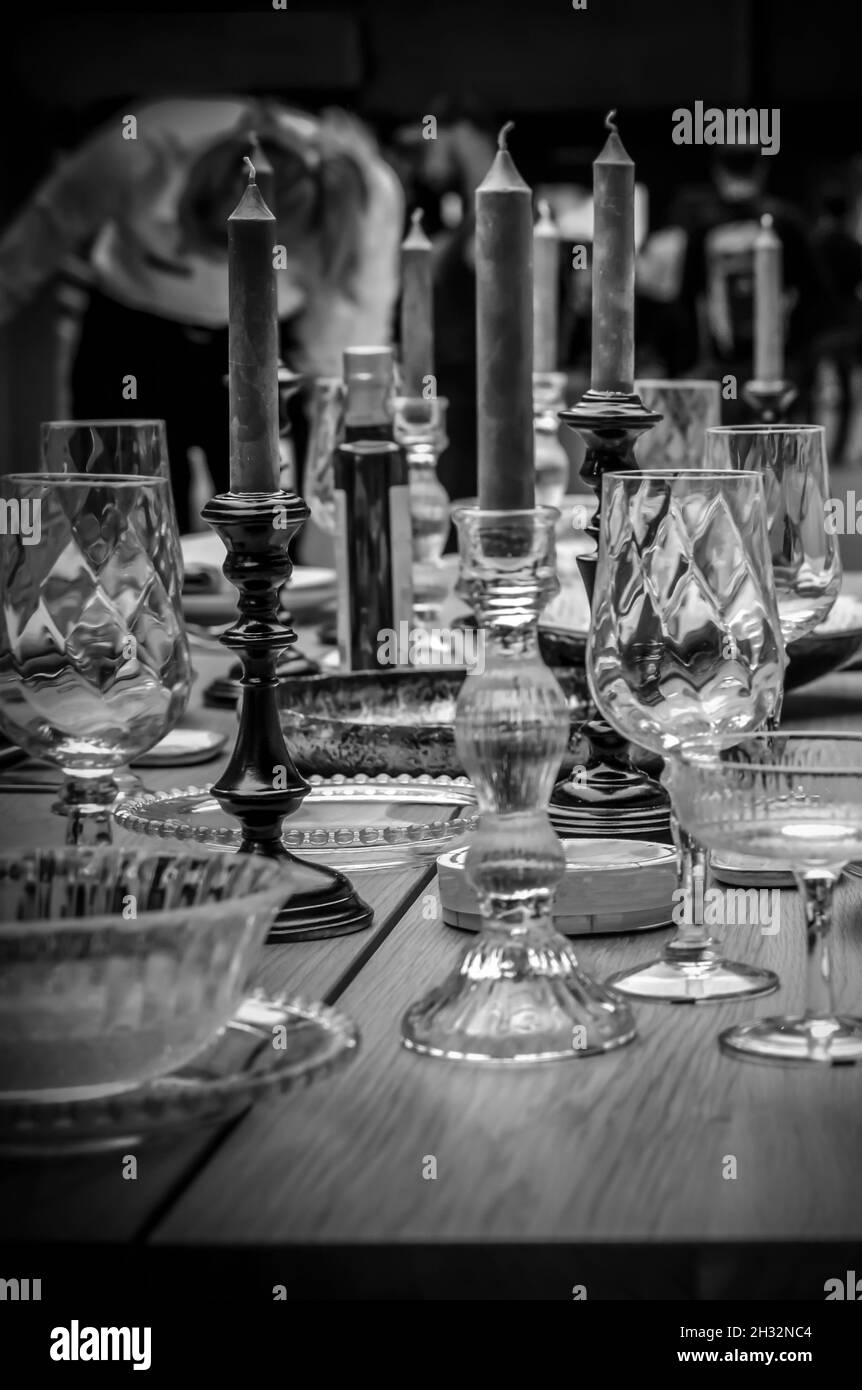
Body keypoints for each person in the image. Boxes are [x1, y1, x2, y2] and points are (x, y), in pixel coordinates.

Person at [0, 97, 403, 530]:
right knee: (119, 520)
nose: (192, 255)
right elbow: (36, 240)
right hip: (133, 332)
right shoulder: (137, 144)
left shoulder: (368, 200)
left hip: (260, 345)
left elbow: (347, 341)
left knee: (264, 528)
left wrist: (345, 445)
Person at [675, 147, 833, 419]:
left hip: (724, 362)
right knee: (778, 440)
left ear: (717, 171)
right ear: (762, 169)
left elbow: (689, 296)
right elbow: (814, 290)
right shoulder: (785, 221)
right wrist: (801, 354)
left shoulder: (704, 224)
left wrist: (691, 359)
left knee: (730, 440)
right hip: (781, 360)